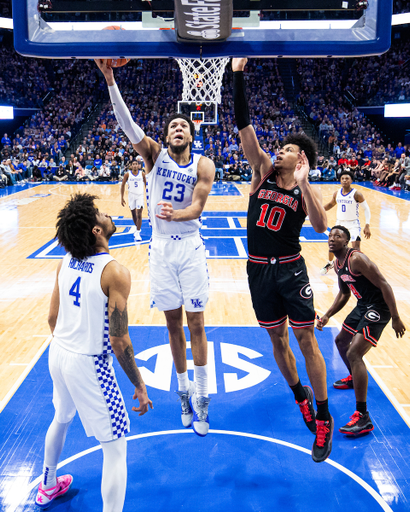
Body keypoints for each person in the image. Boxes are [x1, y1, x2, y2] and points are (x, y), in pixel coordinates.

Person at [96, 58, 215, 437]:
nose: (177, 128)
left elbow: (197, 206)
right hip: (161, 248)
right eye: (172, 126)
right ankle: (182, 393)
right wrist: (111, 80)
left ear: (192, 136)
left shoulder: (204, 164)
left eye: (183, 125)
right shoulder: (153, 156)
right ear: (165, 137)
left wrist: (176, 214)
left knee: (197, 323)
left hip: (191, 246)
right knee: (173, 323)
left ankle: (201, 398)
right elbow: (128, 125)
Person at [232, 57, 333, 463]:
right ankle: (300, 397)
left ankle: (323, 418)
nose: (280, 150)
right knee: (277, 339)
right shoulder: (261, 172)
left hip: (291, 269)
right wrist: (237, 75)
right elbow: (244, 127)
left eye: (288, 149)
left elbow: (322, 226)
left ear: (301, 161)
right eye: (281, 147)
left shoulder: (301, 189)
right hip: (258, 270)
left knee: (306, 339)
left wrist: (306, 184)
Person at [35, 193, 152, 510]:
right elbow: (119, 341)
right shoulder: (115, 272)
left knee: (61, 417)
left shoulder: (67, 259)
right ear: (96, 232)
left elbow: (51, 317)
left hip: (57, 353)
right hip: (89, 365)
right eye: (100, 214)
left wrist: (70, 344)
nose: (107, 214)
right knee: (115, 448)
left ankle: (47, 484)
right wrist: (139, 385)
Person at [316, 226, 406, 435]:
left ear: (346, 241)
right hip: (363, 305)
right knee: (340, 342)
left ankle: (363, 416)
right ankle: (353, 376)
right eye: (330, 235)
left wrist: (396, 317)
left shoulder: (357, 259)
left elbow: (385, 285)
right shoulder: (337, 264)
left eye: (338, 236)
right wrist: (328, 314)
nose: (332, 238)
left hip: (379, 307)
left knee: (354, 352)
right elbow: (344, 293)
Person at [320, 170, 371, 275]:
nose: (344, 180)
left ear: (351, 180)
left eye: (347, 178)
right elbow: (331, 204)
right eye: (342, 178)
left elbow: (366, 209)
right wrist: (319, 209)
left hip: (353, 224)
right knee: (332, 245)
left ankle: (357, 268)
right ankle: (330, 263)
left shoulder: (357, 194)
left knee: (356, 249)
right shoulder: (337, 193)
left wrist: (367, 225)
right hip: (340, 224)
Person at [120, 159, 146, 242]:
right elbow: (123, 185)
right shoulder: (127, 174)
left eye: (136, 164)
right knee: (133, 214)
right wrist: (122, 197)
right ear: (131, 166)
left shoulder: (142, 174)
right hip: (131, 196)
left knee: (139, 213)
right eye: (133, 164)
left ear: (138, 165)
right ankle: (137, 228)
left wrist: (149, 194)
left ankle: (138, 232)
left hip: (140, 196)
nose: (135, 165)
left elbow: (146, 184)